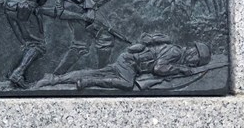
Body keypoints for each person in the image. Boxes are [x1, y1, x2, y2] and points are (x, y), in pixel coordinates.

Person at [35, 33, 211, 91]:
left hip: (128, 60)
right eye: (197, 61)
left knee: (95, 71)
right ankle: (88, 83)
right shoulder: (175, 52)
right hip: (130, 63)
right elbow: (159, 68)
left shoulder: (175, 52)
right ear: (193, 52)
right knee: (127, 85)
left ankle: (53, 79)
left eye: (197, 64)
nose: (195, 64)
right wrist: (180, 70)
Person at [51, 0, 142, 75]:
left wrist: (101, 19)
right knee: (83, 45)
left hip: (81, 9)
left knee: (100, 39)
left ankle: (101, 72)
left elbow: (97, 2)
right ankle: (58, 75)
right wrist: (90, 9)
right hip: (77, 7)